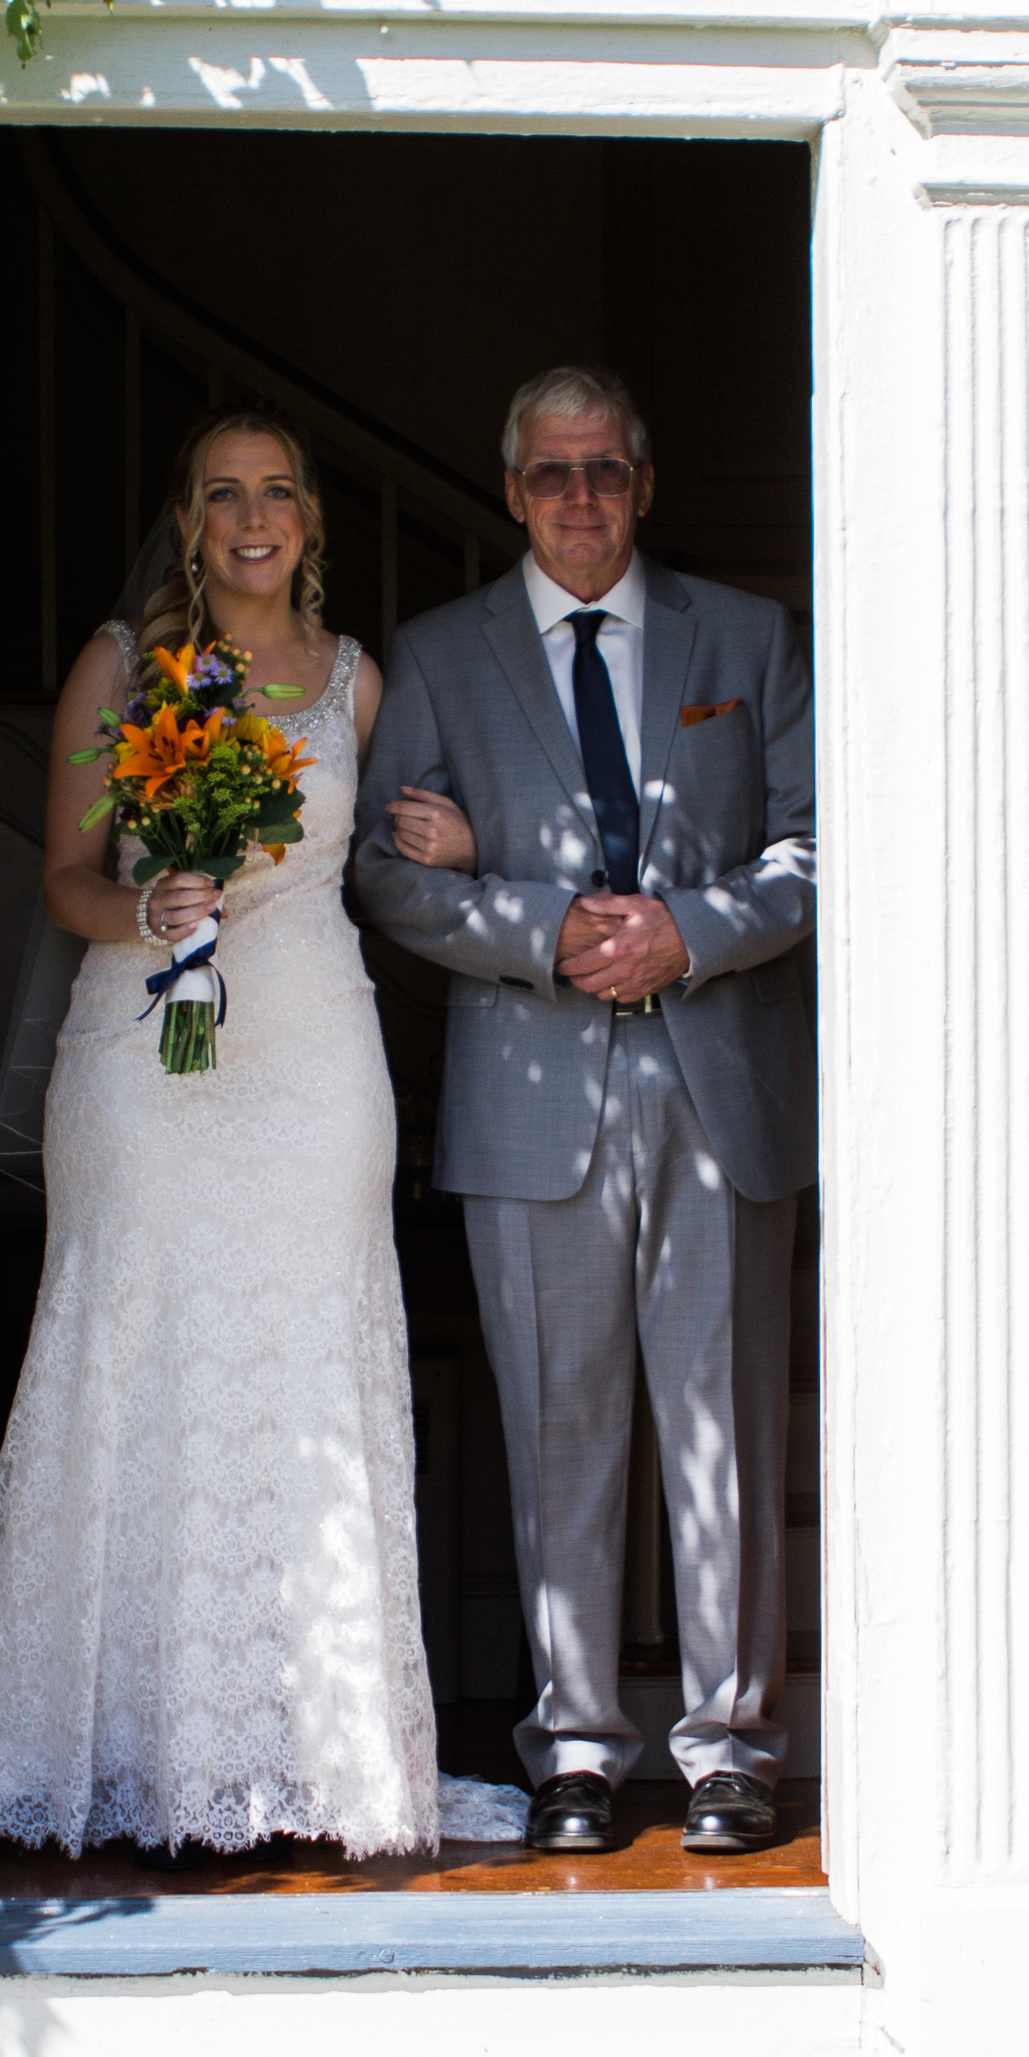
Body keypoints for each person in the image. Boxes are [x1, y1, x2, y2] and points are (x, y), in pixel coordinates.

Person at [0, 411, 475, 1859]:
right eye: (225, 493)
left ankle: (316, 1760)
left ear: (310, 517)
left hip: (310, 1055)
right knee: (147, 1353)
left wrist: (463, 845)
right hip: (145, 1053)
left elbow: (418, 836)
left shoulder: (362, 685)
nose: (255, 517)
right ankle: (140, 1760)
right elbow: (63, 875)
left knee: (304, 1371)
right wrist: (148, 907)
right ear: (190, 515)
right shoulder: (123, 668)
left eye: (279, 492)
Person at [352, 363, 815, 1859]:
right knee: (558, 1426)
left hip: (714, 1078)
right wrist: (546, 922)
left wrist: (695, 927)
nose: (580, 495)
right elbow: (383, 873)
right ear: (511, 489)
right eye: (552, 472)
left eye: (606, 467)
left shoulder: (744, 638)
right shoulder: (439, 654)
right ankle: (573, 1746)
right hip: (532, 1090)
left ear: (646, 480)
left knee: (721, 1420)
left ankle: (731, 1741)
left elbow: (817, 842)